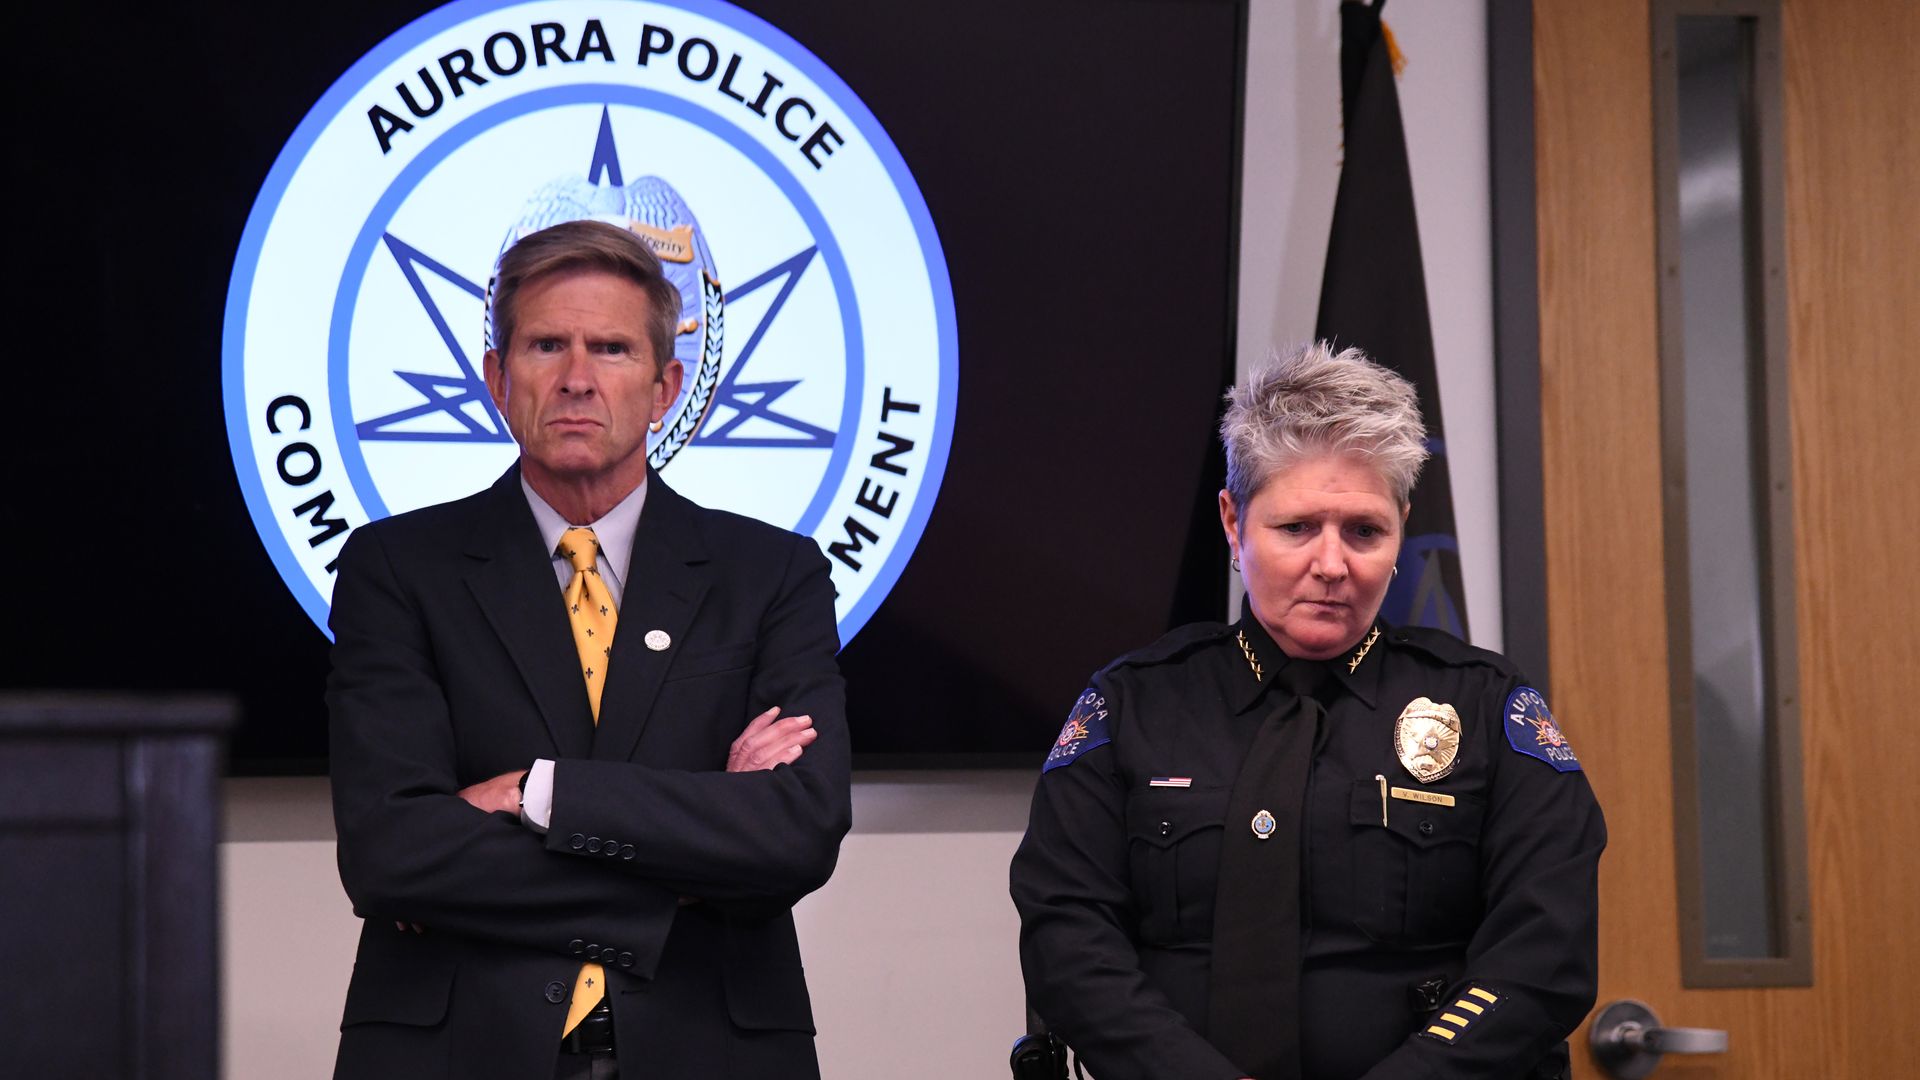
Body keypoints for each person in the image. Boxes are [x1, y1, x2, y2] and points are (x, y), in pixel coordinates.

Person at [326, 219, 850, 1080]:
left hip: (708, 1048)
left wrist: (537, 794)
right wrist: (694, 848)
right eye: (546, 346)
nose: (577, 378)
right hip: (461, 1051)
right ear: (497, 379)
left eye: (611, 348)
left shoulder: (772, 574)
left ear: (667, 385)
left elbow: (795, 834)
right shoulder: (396, 568)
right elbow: (392, 852)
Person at [1009, 342, 1605, 1080]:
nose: (1331, 564)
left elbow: (1546, 951)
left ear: (1401, 528)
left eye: (1364, 530)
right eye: (1296, 528)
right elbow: (1068, 937)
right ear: (1233, 522)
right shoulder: (1133, 704)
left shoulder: (1486, 705)